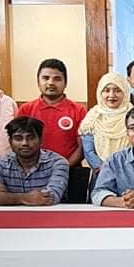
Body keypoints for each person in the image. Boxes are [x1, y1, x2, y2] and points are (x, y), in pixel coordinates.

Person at [18, 58, 87, 203]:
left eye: (57, 79)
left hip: (70, 173)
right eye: (45, 78)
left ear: (65, 83)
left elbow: (82, 148)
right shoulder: (26, 109)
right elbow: (19, 144)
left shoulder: (78, 110)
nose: (50, 83)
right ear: (38, 81)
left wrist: (62, 167)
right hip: (32, 175)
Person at [0, 116, 69, 206]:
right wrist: (24, 198)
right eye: (18, 138)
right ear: (10, 142)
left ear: (41, 140)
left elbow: (50, 198)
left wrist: (5, 193)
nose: (25, 143)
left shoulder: (58, 163)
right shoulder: (1, 165)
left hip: (49, 216)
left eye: (30, 138)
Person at [79, 72, 133, 171]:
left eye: (117, 90)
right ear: (100, 93)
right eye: (107, 90)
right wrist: (104, 169)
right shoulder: (92, 118)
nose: (111, 95)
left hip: (129, 171)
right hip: (100, 172)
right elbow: (89, 151)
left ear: (125, 92)